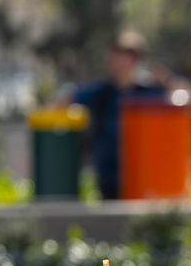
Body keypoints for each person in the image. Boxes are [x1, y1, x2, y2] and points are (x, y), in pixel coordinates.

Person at [71, 31, 169, 200]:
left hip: (144, 174)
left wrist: (167, 79)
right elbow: (69, 97)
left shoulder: (151, 90)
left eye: (121, 58)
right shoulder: (101, 92)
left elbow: (186, 95)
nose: (115, 64)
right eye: (112, 58)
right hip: (109, 177)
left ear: (134, 60)